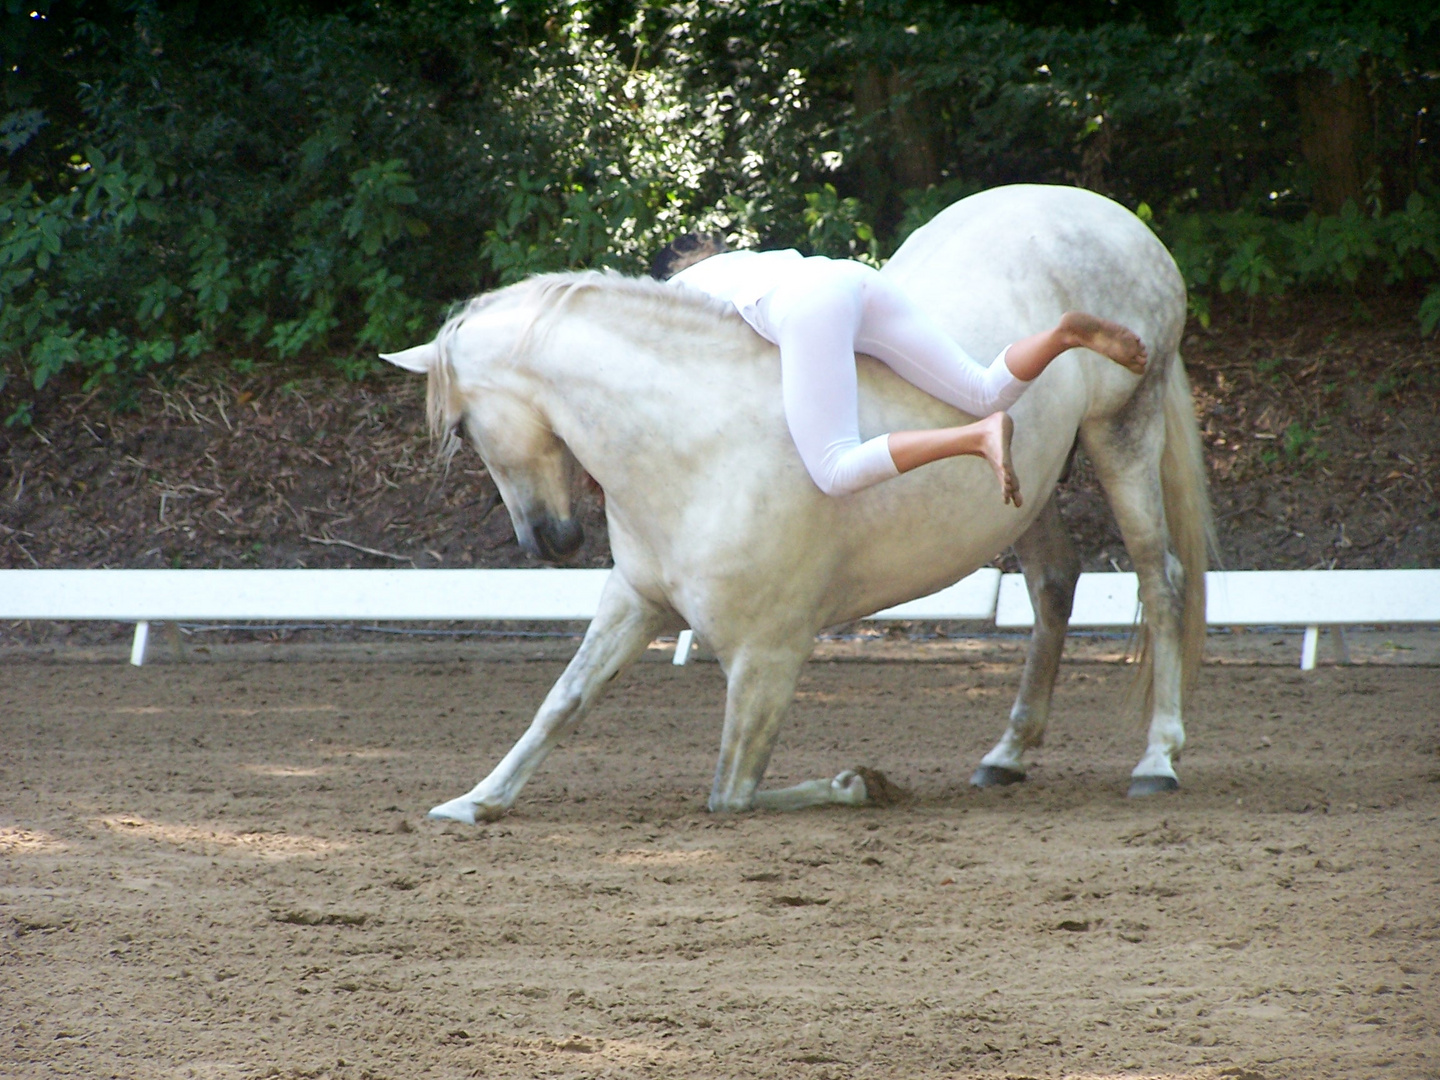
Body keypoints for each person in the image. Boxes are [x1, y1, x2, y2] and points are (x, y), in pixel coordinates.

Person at [650, 234, 1147, 507]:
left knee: (835, 469)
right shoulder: (741, 262)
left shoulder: (670, 297)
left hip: (807, 308)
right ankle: (1062, 336)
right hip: (847, 278)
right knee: (983, 387)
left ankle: (974, 439)